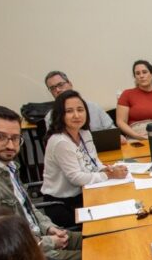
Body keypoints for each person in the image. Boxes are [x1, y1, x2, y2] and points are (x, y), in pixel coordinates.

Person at [0, 104, 83, 260]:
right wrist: (49, 241)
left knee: (103, 238)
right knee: (101, 257)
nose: (10, 145)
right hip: (30, 254)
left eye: (15, 138)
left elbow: (29, 207)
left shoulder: (8, 164)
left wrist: (49, 228)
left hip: (41, 237)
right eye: (1, 137)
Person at [42, 90, 130, 226]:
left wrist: (110, 169)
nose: (76, 115)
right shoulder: (60, 142)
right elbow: (76, 178)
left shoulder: (84, 133)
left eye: (80, 110)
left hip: (84, 193)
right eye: (69, 111)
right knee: (108, 222)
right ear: (60, 114)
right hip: (63, 204)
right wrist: (109, 176)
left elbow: (95, 163)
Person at [42, 70, 115, 132]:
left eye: (60, 85)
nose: (57, 90)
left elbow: (112, 129)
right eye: (52, 88)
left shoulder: (94, 107)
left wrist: (118, 137)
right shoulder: (50, 117)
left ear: (70, 84)